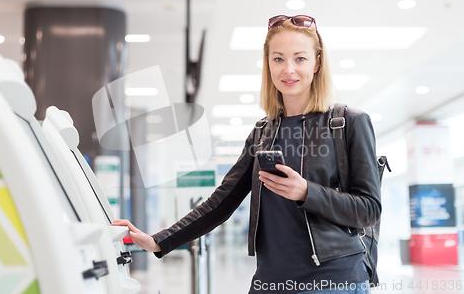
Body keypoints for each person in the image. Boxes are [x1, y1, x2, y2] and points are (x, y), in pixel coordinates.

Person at [113, 15, 381, 293]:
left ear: (318, 63)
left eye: (300, 58)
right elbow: (222, 201)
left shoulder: (347, 122)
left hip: (333, 279)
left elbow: (369, 209)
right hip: (270, 279)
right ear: (268, 64)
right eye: (278, 59)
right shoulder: (263, 131)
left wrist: (306, 192)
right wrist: (159, 240)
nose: (288, 69)